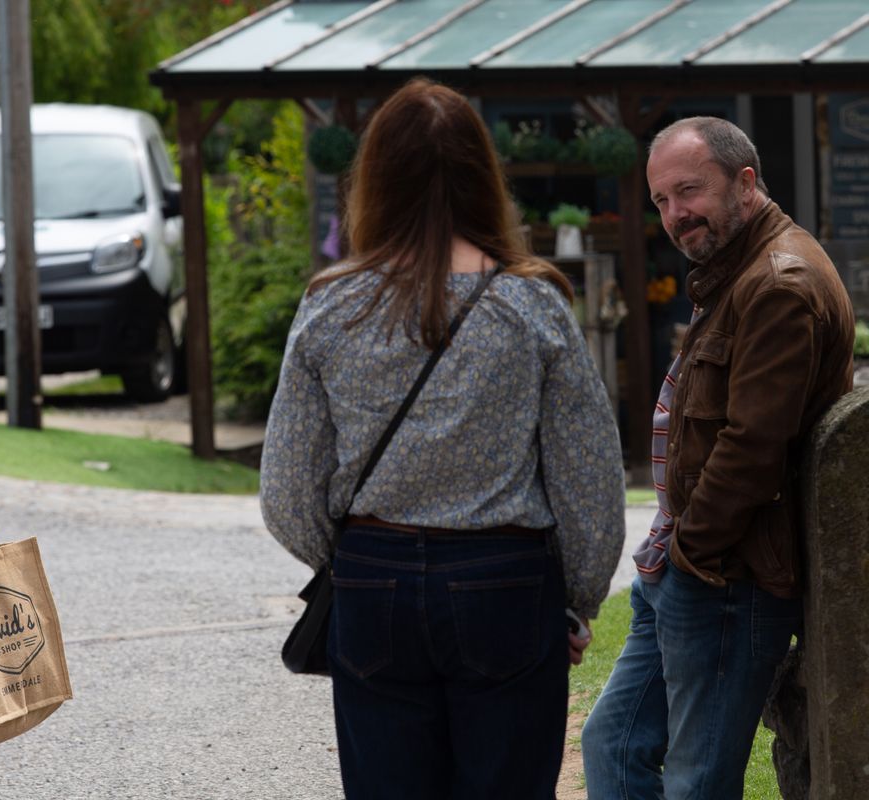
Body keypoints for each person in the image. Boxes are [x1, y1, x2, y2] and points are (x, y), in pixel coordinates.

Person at [259, 78, 626, 800]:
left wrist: (353, 560)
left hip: (373, 579)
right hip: (506, 585)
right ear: (481, 175)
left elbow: (286, 490)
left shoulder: (332, 305)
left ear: (376, 179)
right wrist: (574, 601)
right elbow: (591, 479)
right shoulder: (533, 304)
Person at [581, 117, 855, 799]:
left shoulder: (777, 284)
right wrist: (674, 559)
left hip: (729, 580)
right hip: (688, 566)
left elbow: (752, 450)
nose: (676, 215)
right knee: (612, 743)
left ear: (745, 182)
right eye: (661, 201)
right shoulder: (734, 270)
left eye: (689, 191)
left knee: (697, 781)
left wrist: (690, 557)